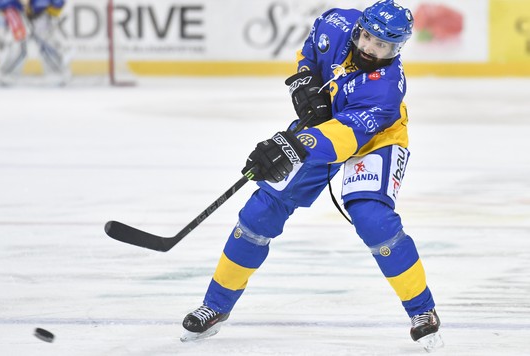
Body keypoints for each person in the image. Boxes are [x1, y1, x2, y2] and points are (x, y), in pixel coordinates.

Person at [181, 0, 443, 352]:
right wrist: (305, 80)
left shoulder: (386, 89)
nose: (370, 49)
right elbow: (311, 48)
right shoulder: (335, 22)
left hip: (375, 140)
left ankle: (422, 310)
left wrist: (288, 146)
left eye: (383, 46)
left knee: (373, 220)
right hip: (323, 128)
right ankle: (215, 305)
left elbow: (345, 137)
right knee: (260, 213)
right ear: (359, 28)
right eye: (367, 38)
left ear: (397, 48)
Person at [0, 0, 70, 86]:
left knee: (46, 43)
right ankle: (4, 74)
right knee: (18, 44)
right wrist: (11, 6)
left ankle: (58, 73)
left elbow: (58, 4)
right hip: (17, 12)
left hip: (40, 14)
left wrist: (48, 4)